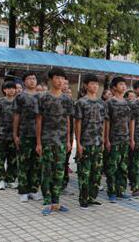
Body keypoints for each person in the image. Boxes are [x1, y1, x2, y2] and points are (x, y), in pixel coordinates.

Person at [36, 67, 74, 215]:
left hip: (61, 142)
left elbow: (68, 120)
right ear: (51, 80)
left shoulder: (67, 99)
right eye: (57, 78)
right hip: (46, 140)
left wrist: (69, 140)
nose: (60, 81)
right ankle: (47, 201)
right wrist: (38, 142)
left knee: (59, 172)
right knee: (47, 171)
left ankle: (56, 202)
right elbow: (39, 121)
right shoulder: (43, 98)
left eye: (62, 78)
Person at [74, 74, 106, 210]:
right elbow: (78, 123)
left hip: (98, 142)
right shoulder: (81, 102)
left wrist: (103, 139)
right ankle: (83, 199)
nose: (95, 86)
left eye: (96, 84)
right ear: (86, 85)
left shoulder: (101, 103)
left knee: (96, 172)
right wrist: (79, 143)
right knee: (84, 172)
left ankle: (92, 197)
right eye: (92, 84)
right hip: (86, 143)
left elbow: (103, 123)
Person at [13, 72, 42, 202]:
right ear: (24, 81)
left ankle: (33, 190)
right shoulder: (20, 97)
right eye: (29, 78)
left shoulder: (41, 97)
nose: (32, 81)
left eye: (34, 78)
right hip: (24, 134)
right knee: (24, 163)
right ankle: (23, 191)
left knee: (36, 164)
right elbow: (16, 116)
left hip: (39, 136)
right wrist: (15, 134)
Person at [104, 77, 132, 202]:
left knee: (123, 167)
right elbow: (106, 122)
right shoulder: (109, 103)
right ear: (114, 87)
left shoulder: (127, 103)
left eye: (124, 84)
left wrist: (131, 138)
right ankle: (112, 192)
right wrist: (106, 139)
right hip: (114, 139)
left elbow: (130, 122)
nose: (123, 86)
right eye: (121, 84)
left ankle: (121, 190)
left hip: (125, 139)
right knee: (112, 167)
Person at [0, 81, 18, 191]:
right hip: (1, 134)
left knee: (12, 159)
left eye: (13, 88)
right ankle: (1, 180)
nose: (11, 90)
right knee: (0, 158)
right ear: (4, 90)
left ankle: (10, 180)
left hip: (13, 135)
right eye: (8, 88)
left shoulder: (18, 102)